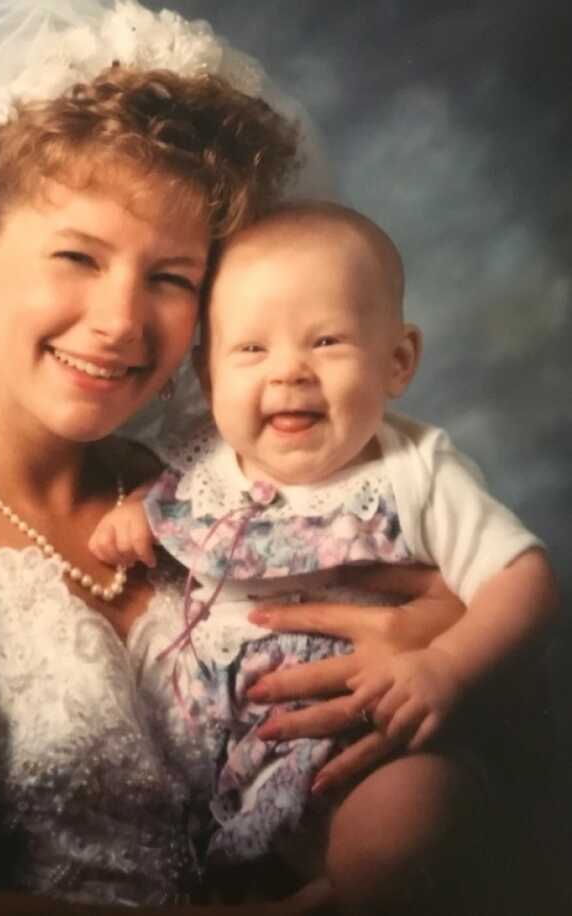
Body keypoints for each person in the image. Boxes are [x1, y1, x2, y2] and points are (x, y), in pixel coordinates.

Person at [0, 3, 513, 914]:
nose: (120, 321)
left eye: (171, 278)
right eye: (78, 255)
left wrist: (429, 635)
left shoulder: (226, 489)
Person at [91, 202, 558, 889]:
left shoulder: (415, 472)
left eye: (327, 342)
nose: (289, 373)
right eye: (252, 349)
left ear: (397, 361)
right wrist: (138, 515)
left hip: (361, 750)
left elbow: (527, 579)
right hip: (208, 760)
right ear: (208, 374)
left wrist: (447, 667)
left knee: (406, 824)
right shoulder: (206, 464)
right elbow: (173, 504)